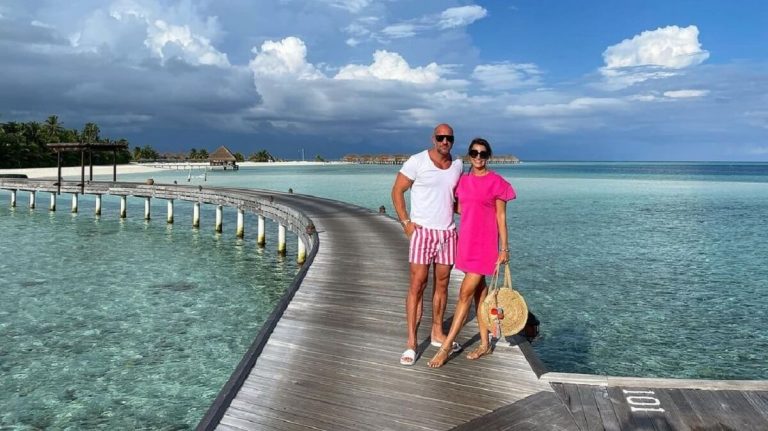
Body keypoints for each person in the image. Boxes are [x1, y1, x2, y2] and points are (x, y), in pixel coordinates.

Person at [428, 137, 516, 368]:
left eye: (483, 153)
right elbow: (458, 206)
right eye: (474, 153)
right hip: (466, 243)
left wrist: (504, 248)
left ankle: (446, 347)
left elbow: (501, 217)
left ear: (488, 157)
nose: (478, 157)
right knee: (480, 294)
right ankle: (485, 344)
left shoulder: (497, 182)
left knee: (464, 295)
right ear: (469, 155)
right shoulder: (464, 181)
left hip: (485, 246)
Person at [391, 123, 463, 366]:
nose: (445, 142)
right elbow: (397, 191)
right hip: (422, 232)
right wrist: (405, 223)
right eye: (440, 137)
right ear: (433, 139)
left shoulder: (457, 165)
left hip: (448, 234)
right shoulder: (417, 161)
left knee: (442, 285)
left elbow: (455, 200)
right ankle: (411, 343)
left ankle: (437, 333)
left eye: (449, 138)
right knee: (418, 285)